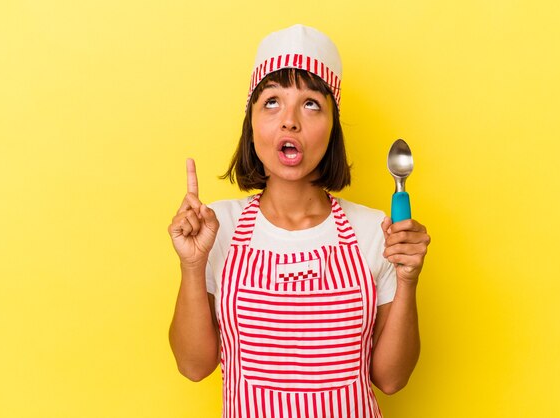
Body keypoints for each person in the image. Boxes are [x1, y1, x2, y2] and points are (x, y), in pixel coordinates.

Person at [168, 24, 431, 417]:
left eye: (310, 104)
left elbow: (391, 380)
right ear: (252, 125)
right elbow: (193, 366)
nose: (289, 120)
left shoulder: (374, 232)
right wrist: (193, 264)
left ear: (332, 129)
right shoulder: (216, 227)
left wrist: (408, 279)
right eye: (272, 102)